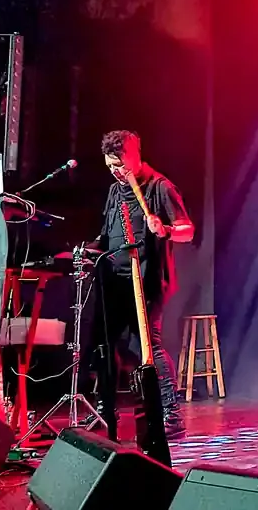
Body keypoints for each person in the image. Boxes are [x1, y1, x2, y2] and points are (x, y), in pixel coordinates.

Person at [90, 130, 194, 440]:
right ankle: (104, 413)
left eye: (119, 165)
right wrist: (88, 251)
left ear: (134, 156)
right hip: (116, 282)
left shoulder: (160, 187)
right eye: (110, 166)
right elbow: (107, 235)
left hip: (147, 280)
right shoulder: (114, 190)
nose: (115, 172)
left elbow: (187, 231)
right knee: (105, 345)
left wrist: (165, 230)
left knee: (148, 345)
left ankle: (171, 414)